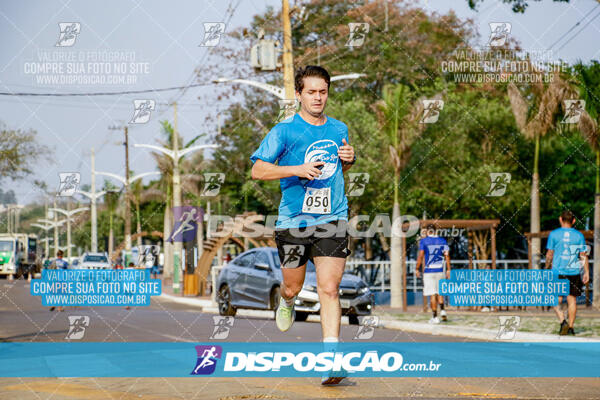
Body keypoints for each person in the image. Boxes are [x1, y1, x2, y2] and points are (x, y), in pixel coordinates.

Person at [250, 65, 355, 385]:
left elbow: (336, 170)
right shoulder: (284, 131)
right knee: (294, 284)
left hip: (332, 218)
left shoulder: (339, 128)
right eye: (311, 92)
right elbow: (258, 171)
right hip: (294, 222)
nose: (318, 97)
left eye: (322, 91)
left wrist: (349, 160)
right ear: (298, 95)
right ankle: (287, 301)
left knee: (329, 288)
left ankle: (331, 361)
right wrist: (298, 168)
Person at [545, 210, 590, 335]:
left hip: (558, 271)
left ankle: (562, 321)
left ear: (560, 219)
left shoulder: (554, 234)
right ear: (574, 221)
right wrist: (586, 272)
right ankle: (570, 327)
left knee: (554, 298)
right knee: (572, 300)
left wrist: (546, 267)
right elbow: (583, 255)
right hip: (574, 271)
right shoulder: (579, 236)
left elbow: (549, 254)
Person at [416, 224, 451, 324]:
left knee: (432, 295)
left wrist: (417, 268)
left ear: (427, 231)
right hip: (440, 270)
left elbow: (421, 255)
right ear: (435, 231)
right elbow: (447, 256)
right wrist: (449, 269)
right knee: (440, 293)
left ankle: (435, 317)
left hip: (429, 271)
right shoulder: (443, 241)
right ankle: (443, 310)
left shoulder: (424, 241)